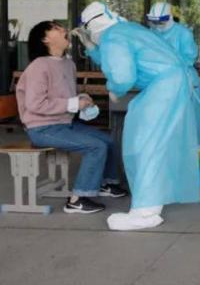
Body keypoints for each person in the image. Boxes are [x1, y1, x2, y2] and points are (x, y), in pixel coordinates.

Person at [73, 1, 200, 230]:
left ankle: (145, 211)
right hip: (169, 84)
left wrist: (114, 88)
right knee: (156, 144)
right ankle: (152, 204)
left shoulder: (113, 37)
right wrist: (93, 48)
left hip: (164, 87)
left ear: (91, 26)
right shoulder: (125, 30)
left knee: (146, 144)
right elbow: (116, 58)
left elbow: (122, 74)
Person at [16, 21, 127, 214]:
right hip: (42, 128)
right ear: (45, 39)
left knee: (107, 141)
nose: (64, 30)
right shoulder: (38, 66)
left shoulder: (68, 63)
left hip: (64, 123)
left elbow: (68, 95)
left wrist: (82, 99)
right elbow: (35, 104)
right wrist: (73, 104)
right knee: (96, 146)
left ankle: (105, 184)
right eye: (56, 29)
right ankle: (77, 199)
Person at [146, 2, 200, 147]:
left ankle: (194, 159)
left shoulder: (183, 33)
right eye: (154, 21)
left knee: (189, 122)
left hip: (185, 81)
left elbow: (189, 58)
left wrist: (167, 64)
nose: (158, 24)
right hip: (161, 83)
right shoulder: (152, 33)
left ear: (170, 17)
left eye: (161, 20)